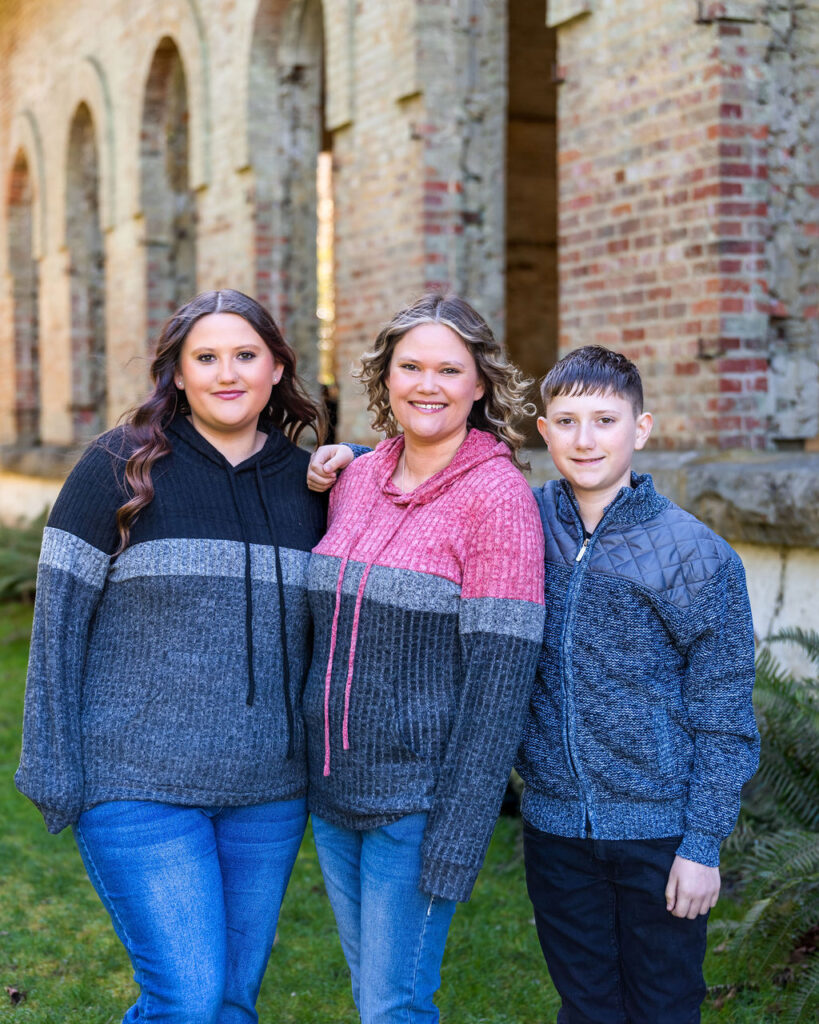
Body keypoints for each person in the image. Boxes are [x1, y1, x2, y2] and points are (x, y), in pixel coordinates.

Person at [15, 289, 327, 1024]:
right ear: (177, 374)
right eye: (206, 357)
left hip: (268, 792)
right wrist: (53, 763)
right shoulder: (119, 466)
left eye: (246, 355)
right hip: (138, 782)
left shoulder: (313, 484)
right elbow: (57, 626)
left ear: (277, 368)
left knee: (229, 1002)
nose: (228, 373)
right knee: (185, 1000)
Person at [304, 293, 545, 1023]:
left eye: (449, 369)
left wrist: (458, 832)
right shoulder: (353, 479)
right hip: (331, 790)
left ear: (480, 384)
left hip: (417, 804)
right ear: (384, 379)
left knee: (393, 1004)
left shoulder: (497, 499)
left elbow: (499, 687)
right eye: (410, 366)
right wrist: (337, 458)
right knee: (374, 993)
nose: (427, 385)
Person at [516, 345, 760, 1023]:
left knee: (662, 1006)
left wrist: (701, 845)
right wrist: (351, 454)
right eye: (566, 421)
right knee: (586, 1006)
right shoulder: (519, 523)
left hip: (659, 832)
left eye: (605, 420)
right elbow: (438, 477)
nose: (585, 439)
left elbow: (723, 712)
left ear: (641, 429)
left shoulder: (695, 555)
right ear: (544, 431)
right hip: (556, 828)